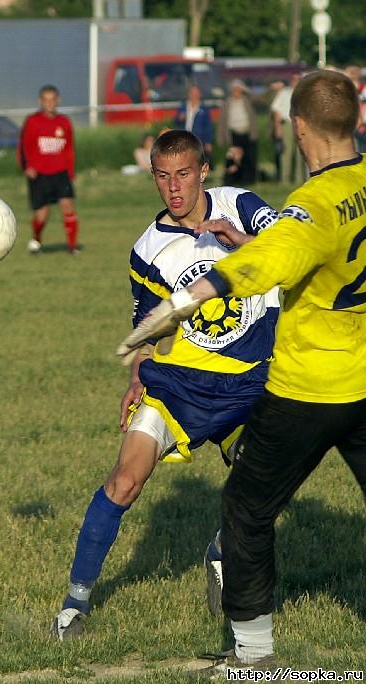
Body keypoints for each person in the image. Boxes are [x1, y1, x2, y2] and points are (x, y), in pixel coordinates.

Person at [116, 70, 366, 674]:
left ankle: (253, 659)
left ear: (298, 127)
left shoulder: (313, 205)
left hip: (307, 389)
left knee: (247, 509)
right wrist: (245, 236)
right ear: (355, 122)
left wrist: (187, 298)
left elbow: (270, 260)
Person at [51, 129, 280, 641]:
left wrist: (241, 244)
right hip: (180, 384)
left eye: (183, 174)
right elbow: (152, 323)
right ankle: (74, 605)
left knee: (264, 485)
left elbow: (291, 245)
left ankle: (223, 548)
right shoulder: (146, 249)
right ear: (152, 175)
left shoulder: (241, 205)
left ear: (203, 171)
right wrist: (137, 375)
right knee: (125, 481)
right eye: (162, 176)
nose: (173, 188)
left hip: (255, 379)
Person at [18, 84, 80, 255]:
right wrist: (27, 167)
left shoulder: (64, 122)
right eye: (46, 100)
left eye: (52, 99)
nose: (49, 103)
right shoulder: (32, 121)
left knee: (68, 206)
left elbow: (69, 148)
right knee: (42, 215)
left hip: (60, 173)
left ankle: (72, 247)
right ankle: (36, 238)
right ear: (40, 101)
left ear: (58, 100)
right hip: (39, 174)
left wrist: (70, 171)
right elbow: (23, 146)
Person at [217, 80, 258, 186]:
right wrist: (221, 138)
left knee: (248, 158)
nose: (236, 92)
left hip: (247, 133)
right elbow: (222, 121)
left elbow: (257, 98)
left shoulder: (247, 100)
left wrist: (246, 90)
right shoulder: (227, 103)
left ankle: (249, 180)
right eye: (235, 90)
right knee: (234, 159)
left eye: (239, 90)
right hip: (234, 134)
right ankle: (235, 180)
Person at [270, 73, 304, 185]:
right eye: (294, 79)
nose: (296, 81)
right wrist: (277, 128)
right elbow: (277, 111)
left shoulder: (304, 93)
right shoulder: (284, 93)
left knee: (301, 153)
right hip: (288, 124)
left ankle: (299, 179)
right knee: (286, 152)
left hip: (302, 124)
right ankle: (285, 180)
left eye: (298, 79)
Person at [174, 85, 214, 163]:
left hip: (198, 139)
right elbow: (176, 121)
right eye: (192, 93)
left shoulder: (204, 109)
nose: (194, 95)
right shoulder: (183, 107)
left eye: (196, 93)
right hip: (184, 139)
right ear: (189, 94)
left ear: (200, 95)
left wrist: (208, 142)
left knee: (197, 160)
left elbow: (208, 126)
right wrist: (179, 118)